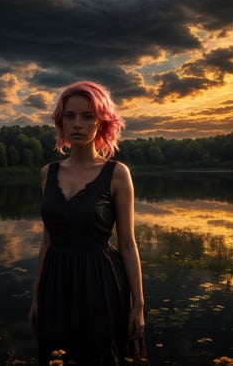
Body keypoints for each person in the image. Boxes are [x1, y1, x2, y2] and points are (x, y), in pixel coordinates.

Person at [28, 81, 145, 366]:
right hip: (56, 284)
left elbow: (127, 245)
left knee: (101, 356)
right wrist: (36, 297)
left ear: (101, 122)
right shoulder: (48, 173)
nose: (77, 124)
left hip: (102, 283)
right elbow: (47, 241)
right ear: (60, 121)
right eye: (70, 116)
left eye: (87, 116)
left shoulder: (116, 173)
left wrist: (139, 305)